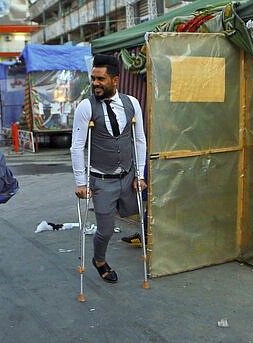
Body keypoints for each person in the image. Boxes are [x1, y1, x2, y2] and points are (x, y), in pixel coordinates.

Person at [70, 54, 147, 283]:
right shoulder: (86, 107)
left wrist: (140, 175)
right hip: (101, 179)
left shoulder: (131, 103)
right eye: (93, 78)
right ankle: (100, 260)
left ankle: (146, 243)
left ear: (115, 80)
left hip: (129, 175)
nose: (95, 83)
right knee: (105, 229)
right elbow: (77, 147)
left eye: (100, 79)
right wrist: (81, 182)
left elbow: (139, 139)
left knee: (143, 212)